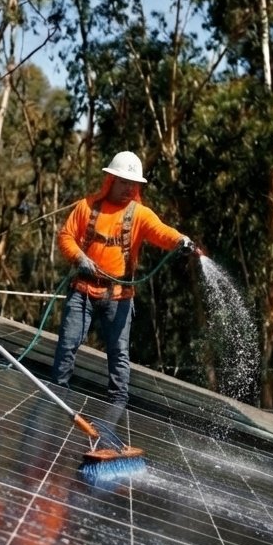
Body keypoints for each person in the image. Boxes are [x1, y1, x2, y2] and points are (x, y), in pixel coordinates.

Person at [52, 151, 196, 406]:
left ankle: (118, 406)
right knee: (68, 343)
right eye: (123, 182)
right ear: (110, 180)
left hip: (119, 296)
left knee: (118, 354)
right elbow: (66, 236)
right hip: (83, 289)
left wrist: (180, 240)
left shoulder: (139, 214)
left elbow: (162, 232)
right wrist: (79, 258)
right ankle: (57, 396)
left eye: (133, 183)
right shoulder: (87, 206)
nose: (128, 188)